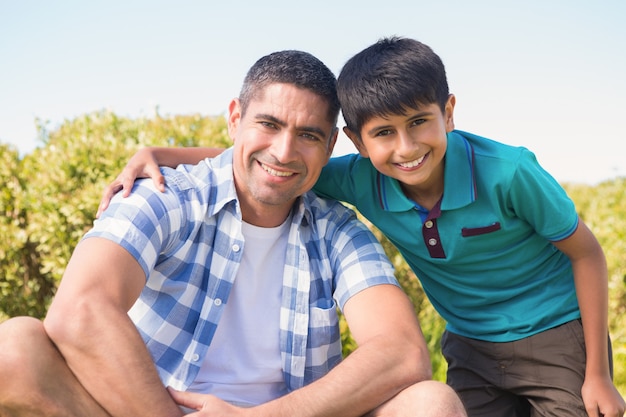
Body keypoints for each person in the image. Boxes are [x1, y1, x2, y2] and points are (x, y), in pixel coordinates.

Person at [98, 37, 626, 417]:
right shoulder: (359, 178)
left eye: (421, 122)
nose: (406, 148)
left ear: (449, 111)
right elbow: (267, 161)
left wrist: (597, 373)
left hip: (556, 335)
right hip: (472, 344)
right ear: (353, 141)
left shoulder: (509, 173)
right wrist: (159, 154)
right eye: (384, 133)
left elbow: (586, 253)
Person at [0, 49, 467, 417]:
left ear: (330, 147)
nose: (284, 152)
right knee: (15, 349)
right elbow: (81, 311)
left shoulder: (338, 231)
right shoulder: (165, 195)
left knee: (430, 404)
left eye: (307, 135)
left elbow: (402, 353)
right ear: (235, 119)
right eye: (269, 124)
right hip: (144, 409)